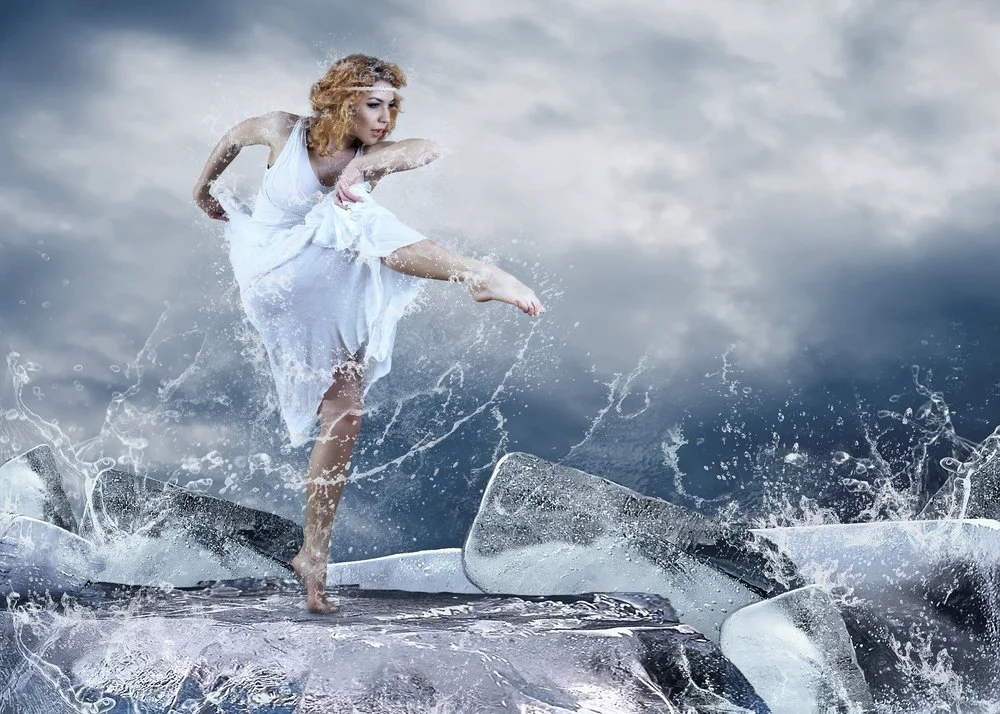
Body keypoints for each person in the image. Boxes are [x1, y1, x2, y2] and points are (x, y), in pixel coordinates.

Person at [192, 54, 543, 613]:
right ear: (340, 99)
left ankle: (314, 556)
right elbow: (234, 135)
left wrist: (358, 172)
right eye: (373, 104)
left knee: (347, 412)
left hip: (329, 275)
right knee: (351, 219)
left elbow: (427, 149)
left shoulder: (369, 154)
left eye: (391, 107)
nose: (384, 119)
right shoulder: (284, 130)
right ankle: (475, 273)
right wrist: (202, 189)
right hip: (272, 271)